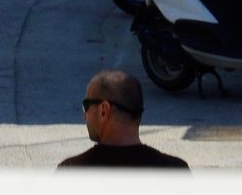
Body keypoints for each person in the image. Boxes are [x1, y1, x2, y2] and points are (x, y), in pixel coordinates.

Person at [57, 70, 187, 169]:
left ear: (104, 110)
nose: (84, 115)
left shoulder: (71, 171)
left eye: (86, 106)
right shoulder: (175, 170)